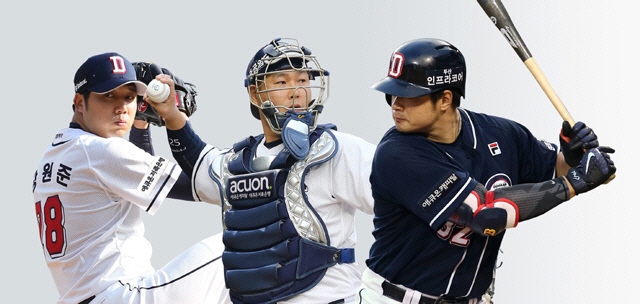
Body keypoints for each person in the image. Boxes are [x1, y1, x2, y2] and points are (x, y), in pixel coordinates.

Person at [357, 38, 616, 304]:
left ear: (445, 99)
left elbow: (555, 170)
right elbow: (485, 215)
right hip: (396, 298)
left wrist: (573, 158)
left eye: (408, 95)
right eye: (392, 93)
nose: (395, 104)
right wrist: (575, 182)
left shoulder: (501, 135)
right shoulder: (397, 154)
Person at [147, 38, 376, 304]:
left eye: (303, 80)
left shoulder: (335, 150)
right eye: (282, 82)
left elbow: (404, 211)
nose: (296, 91)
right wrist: (171, 115)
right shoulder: (235, 164)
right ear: (255, 94)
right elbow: (197, 162)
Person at [32, 52, 229, 304]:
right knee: (248, 239)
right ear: (80, 102)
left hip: (87, 297)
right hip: (123, 295)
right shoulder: (100, 151)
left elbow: (137, 176)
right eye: (108, 95)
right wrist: (174, 119)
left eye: (129, 97)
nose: (121, 107)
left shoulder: (54, 154)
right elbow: (204, 186)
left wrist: (140, 125)